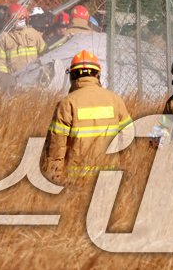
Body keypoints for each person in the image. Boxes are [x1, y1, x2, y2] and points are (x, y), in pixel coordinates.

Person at [41, 50, 132, 182]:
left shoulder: (67, 103)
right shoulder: (115, 100)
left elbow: (56, 145)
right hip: (110, 176)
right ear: (97, 75)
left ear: (72, 75)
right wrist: (127, 170)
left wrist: (53, 177)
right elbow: (127, 138)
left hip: (76, 178)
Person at [0, 3, 46, 81]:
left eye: (22, 18)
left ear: (26, 18)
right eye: (17, 19)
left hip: (35, 76)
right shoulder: (3, 38)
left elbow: (44, 53)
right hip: (15, 79)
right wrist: (5, 79)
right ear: (9, 19)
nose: (20, 21)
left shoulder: (33, 33)